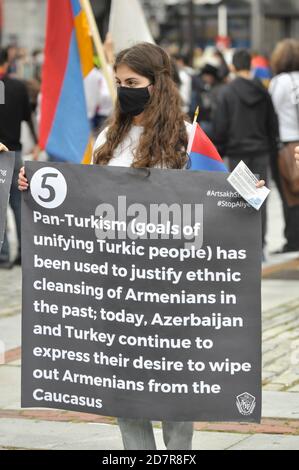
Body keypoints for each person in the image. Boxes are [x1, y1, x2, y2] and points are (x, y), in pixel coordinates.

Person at [18, 42, 265, 450]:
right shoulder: (105, 142)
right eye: (118, 83)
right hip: (119, 289)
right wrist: (33, 189)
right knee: (125, 390)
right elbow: (79, 201)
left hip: (174, 292)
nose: (124, 90)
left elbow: (234, 196)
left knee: (175, 392)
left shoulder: (189, 139)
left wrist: (253, 190)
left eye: (133, 82)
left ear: (158, 84)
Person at [212, 48, 279, 252]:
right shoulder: (263, 91)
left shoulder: (227, 92)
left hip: (237, 153)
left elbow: (221, 126)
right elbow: (272, 123)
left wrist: (219, 151)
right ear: (251, 65)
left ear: (232, 66)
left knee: (239, 199)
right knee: (259, 198)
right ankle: (260, 245)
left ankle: (243, 247)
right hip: (260, 150)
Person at [0, 47, 39, 269]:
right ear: (7, 63)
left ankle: (3, 256)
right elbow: (29, 118)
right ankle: (25, 254)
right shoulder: (17, 87)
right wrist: (37, 142)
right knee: (19, 205)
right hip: (14, 153)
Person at [269, 39, 299, 253]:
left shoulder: (279, 82)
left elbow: (272, 113)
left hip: (287, 143)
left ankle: (292, 240)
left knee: (289, 193)